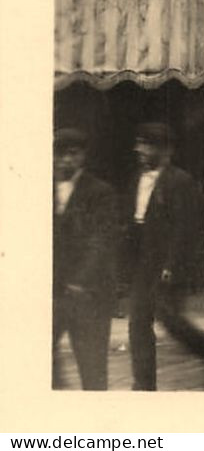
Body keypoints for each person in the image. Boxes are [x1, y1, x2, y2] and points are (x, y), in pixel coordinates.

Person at [127, 122, 204, 390]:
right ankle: (144, 386)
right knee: (138, 323)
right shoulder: (138, 178)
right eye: (139, 143)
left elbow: (186, 228)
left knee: (172, 322)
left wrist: (171, 264)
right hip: (143, 263)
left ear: (164, 150)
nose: (139, 149)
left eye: (146, 144)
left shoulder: (179, 181)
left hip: (168, 264)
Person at [53, 127, 117, 390]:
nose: (66, 160)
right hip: (54, 293)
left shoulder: (100, 192)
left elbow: (100, 242)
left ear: (83, 157)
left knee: (92, 372)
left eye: (73, 154)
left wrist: (80, 281)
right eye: (60, 154)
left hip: (89, 295)